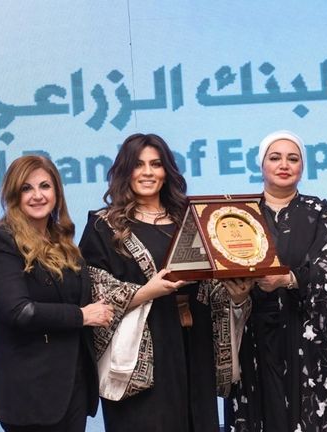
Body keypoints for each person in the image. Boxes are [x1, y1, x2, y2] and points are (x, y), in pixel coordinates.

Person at [78, 133, 249, 432]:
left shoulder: (192, 220)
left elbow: (211, 286)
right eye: (138, 164)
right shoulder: (105, 226)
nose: (148, 172)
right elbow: (93, 293)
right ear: (125, 171)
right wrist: (147, 292)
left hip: (194, 345)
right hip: (140, 357)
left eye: (156, 164)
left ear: (167, 171)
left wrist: (236, 294)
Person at [225, 131, 327, 432]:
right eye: (275, 158)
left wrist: (288, 278)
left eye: (293, 158)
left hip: (309, 333)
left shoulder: (321, 211)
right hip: (255, 333)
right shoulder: (238, 214)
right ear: (261, 164)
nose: (284, 165)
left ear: (303, 166)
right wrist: (236, 294)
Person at [0, 155, 113, 432]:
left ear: (57, 193)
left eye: (45, 186)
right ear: (13, 195)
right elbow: (20, 312)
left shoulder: (63, 242)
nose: (37, 195)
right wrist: (81, 316)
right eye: (26, 188)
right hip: (30, 394)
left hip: (72, 386)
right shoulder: (1, 242)